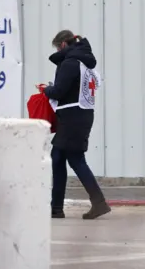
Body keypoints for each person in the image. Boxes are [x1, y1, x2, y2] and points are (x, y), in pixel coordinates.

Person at [42, 30, 111, 220]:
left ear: (63, 45)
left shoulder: (70, 63)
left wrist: (46, 89)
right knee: (58, 157)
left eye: (57, 47)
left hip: (72, 118)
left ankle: (99, 203)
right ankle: (56, 208)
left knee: (76, 159)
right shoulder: (86, 64)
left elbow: (59, 91)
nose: (57, 50)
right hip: (82, 116)